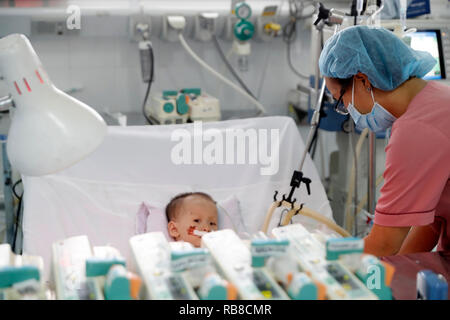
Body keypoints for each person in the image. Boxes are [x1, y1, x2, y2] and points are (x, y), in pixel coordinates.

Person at [319, 25, 450, 257]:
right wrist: (399, 270)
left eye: (341, 100)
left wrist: (329, 273)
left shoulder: (417, 130)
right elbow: (432, 220)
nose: (346, 109)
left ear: (362, 80)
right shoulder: (436, 98)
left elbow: (383, 244)